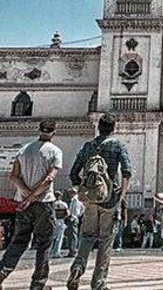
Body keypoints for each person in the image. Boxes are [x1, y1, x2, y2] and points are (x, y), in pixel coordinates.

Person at [0, 120, 62, 290]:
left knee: (19, 240)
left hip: (22, 204)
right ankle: (38, 283)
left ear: (40, 130)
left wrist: (26, 196)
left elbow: (13, 176)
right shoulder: (55, 151)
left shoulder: (24, 150)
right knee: (44, 243)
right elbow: (50, 178)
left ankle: (1, 271)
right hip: (44, 203)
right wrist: (34, 196)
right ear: (53, 132)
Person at [66, 113, 132, 290]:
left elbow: (73, 173)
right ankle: (98, 283)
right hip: (109, 200)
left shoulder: (88, 146)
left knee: (86, 237)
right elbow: (126, 172)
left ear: (98, 127)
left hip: (90, 201)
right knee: (105, 241)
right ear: (113, 128)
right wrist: (121, 197)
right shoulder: (118, 145)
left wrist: (83, 191)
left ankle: (77, 269)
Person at [65, 188, 84, 258]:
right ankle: (71, 250)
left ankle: (72, 251)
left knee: (72, 235)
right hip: (74, 218)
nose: (69, 194)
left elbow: (77, 210)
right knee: (71, 235)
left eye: (70, 193)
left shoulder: (75, 200)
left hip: (73, 218)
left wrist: (75, 216)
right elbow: (82, 208)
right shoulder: (74, 200)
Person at [51, 191, 69, 259]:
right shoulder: (64, 204)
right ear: (60, 196)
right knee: (59, 238)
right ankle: (56, 253)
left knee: (52, 237)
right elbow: (68, 213)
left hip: (54, 221)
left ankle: (50, 252)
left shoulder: (53, 204)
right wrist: (63, 218)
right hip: (61, 221)